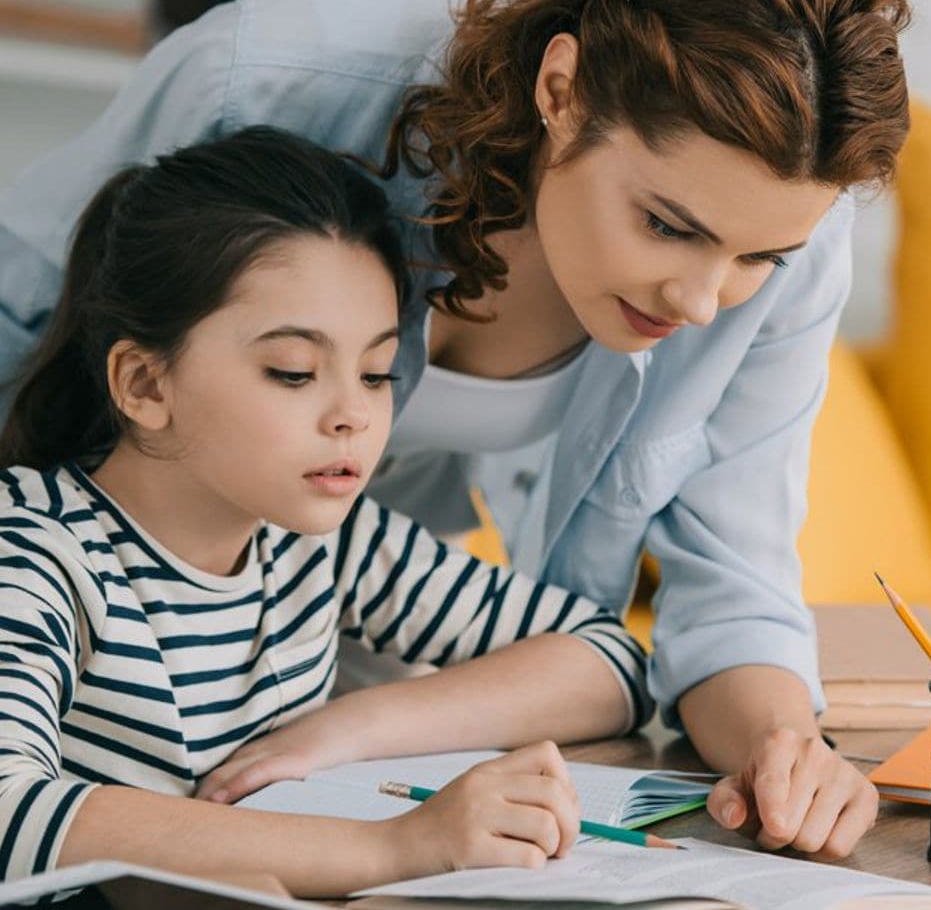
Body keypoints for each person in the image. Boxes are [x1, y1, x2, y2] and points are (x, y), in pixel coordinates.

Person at [0, 0, 911, 858]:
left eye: (758, 260)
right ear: (563, 92)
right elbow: (36, 320)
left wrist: (784, 749)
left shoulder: (334, 545)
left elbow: (712, 589)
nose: (699, 302)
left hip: (325, 695)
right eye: (668, 226)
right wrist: (388, 848)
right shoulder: (270, 74)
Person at [0, 128, 651, 896]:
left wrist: (346, 728)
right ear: (145, 384)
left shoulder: (324, 542)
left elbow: (609, 659)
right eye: (294, 371)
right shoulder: (37, 550)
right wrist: (397, 847)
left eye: (377, 373)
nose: (353, 415)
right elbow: (10, 816)